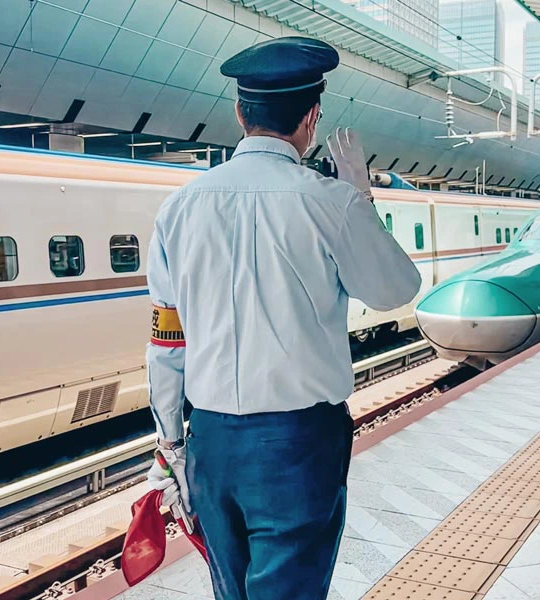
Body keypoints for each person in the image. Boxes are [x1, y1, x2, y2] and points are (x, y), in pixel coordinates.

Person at [146, 36, 421, 600]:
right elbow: (395, 290)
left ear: (239, 112)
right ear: (312, 117)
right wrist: (362, 200)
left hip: (212, 443)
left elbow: (166, 341)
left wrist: (171, 445)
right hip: (299, 443)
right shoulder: (330, 201)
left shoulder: (179, 208)